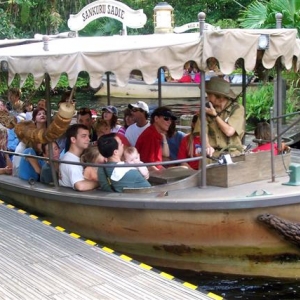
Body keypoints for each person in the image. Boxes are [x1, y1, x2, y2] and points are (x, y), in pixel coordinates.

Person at [205, 77, 245, 156]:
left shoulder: (237, 109)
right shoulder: (207, 108)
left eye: (210, 94)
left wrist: (215, 115)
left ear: (219, 97)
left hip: (232, 153)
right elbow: (203, 132)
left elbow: (229, 132)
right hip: (212, 154)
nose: (207, 97)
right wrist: (207, 146)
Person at [59, 124, 99, 191]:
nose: (88, 139)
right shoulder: (72, 162)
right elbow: (80, 186)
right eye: (84, 136)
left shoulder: (70, 157)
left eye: (88, 136)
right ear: (73, 139)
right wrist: (99, 183)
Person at [136, 106, 176, 171]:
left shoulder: (155, 133)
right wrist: (165, 174)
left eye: (170, 119)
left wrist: (164, 138)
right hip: (152, 176)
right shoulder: (150, 136)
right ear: (156, 119)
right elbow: (149, 165)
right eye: (166, 118)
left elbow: (165, 155)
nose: (169, 122)